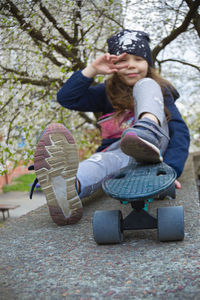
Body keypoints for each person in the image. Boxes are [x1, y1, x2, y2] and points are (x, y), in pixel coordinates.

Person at [33, 29, 190, 226]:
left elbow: (180, 132)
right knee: (101, 160)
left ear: (148, 63)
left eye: (138, 59)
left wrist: (171, 169)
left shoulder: (161, 90)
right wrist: (92, 69)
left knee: (146, 85)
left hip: (157, 149)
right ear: (113, 65)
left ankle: (146, 130)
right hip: (123, 154)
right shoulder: (106, 92)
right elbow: (67, 98)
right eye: (123, 60)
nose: (131, 65)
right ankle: (68, 187)